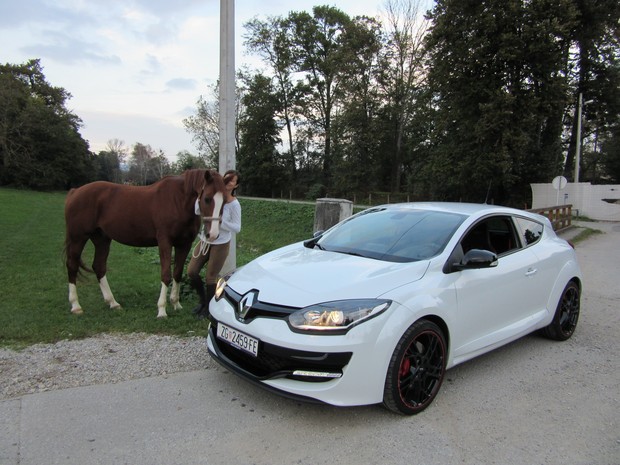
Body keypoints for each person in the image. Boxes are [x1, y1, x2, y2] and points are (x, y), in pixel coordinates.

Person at [188, 169, 241, 319]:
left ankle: (210, 309)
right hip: (205, 240)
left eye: (233, 181)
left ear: (236, 185)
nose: (229, 182)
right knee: (192, 271)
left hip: (221, 242)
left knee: (210, 277)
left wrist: (220, 222)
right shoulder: (215, 195)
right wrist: (200, 198)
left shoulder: (234, 204)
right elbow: (198, 212)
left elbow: (237, 227)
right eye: (228, 179)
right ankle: (203, 301)